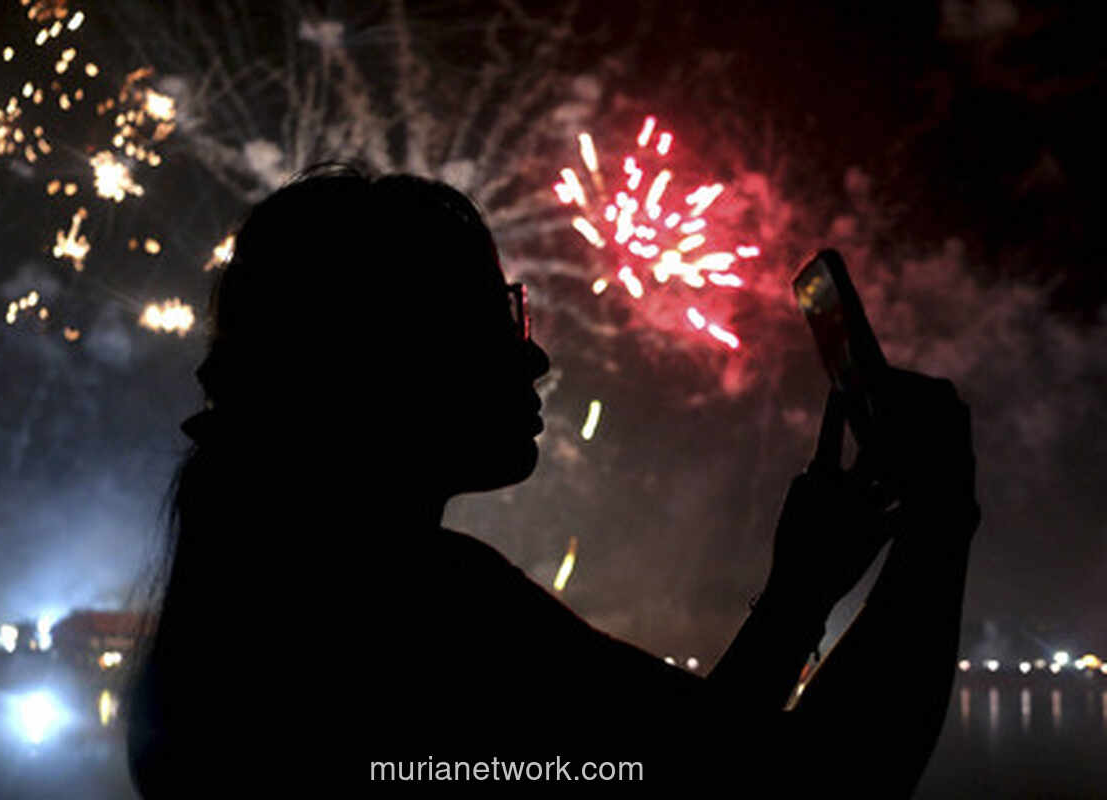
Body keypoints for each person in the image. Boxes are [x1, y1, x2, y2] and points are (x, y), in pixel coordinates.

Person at [125, 163, 979, 795]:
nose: (532, 354)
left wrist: (798, 596)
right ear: (385, 358)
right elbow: (810, 787)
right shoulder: (425, 606)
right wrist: (940, 517)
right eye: (495, 319)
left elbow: (692, 764)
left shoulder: (256, 605)